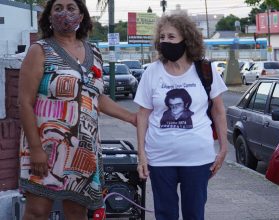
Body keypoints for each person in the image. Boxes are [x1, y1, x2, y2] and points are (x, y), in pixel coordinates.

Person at [18, 0, 137, 219]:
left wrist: (132, 117)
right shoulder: (40, 50)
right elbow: (24, 102)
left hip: (83, 148)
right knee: (37, 212)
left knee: (76, 213)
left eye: (71, 8)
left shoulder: (94, 52)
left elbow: (96, 96)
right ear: (49, 16)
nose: (65, 13)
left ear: (81, 16)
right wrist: (35, 149)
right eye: (58, 8)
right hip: (46, 146)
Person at [135, 13, 228, 220]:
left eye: (171, 37)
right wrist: (141, 154)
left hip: (197, 157)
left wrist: (223, 147)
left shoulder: (205, 70)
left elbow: (219, 111)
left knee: (194, 214)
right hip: (160, 157)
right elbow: (142, 116)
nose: (165, 41)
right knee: (165, 214)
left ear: (186, 40)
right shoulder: (152, 72)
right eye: (162, 37)